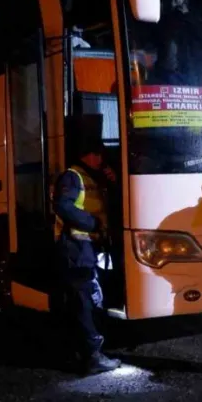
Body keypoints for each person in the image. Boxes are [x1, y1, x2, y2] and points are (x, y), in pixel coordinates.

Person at [52, 114, 120, 375]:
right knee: (85, 300)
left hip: (87, 249)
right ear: (88, 155)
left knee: (87, 299)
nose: (102, 159)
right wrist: (92, 224)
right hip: (76, 249)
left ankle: (83, 352)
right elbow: (63, 206)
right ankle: (92, 356)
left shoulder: (90, 177)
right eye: (98, 155)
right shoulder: (72, 177)